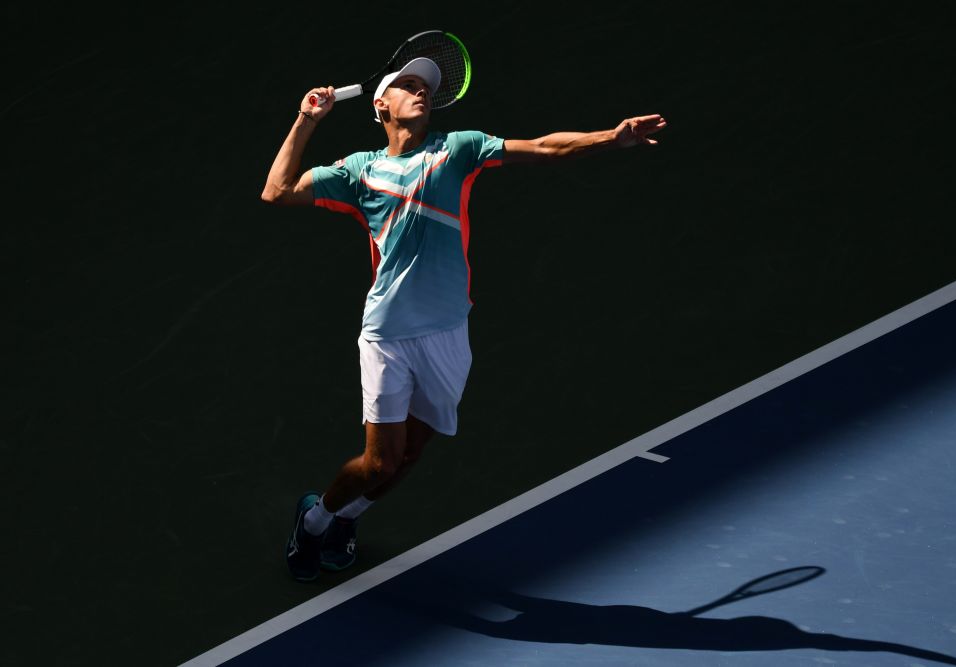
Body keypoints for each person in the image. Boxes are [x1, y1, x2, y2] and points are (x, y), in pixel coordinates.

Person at [261, 56, 666, 582]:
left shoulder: (458, 148)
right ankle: (314, 520)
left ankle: (348, 519)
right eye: (407, 86)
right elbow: (277, 191)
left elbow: (544, 147)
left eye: (425, 87)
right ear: (380, 104)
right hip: (388, 336)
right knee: (379, 462)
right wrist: (307, 119)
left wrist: (610, 138)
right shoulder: (359, 170)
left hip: (449, 331)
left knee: (410, 455)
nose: (421, 92)